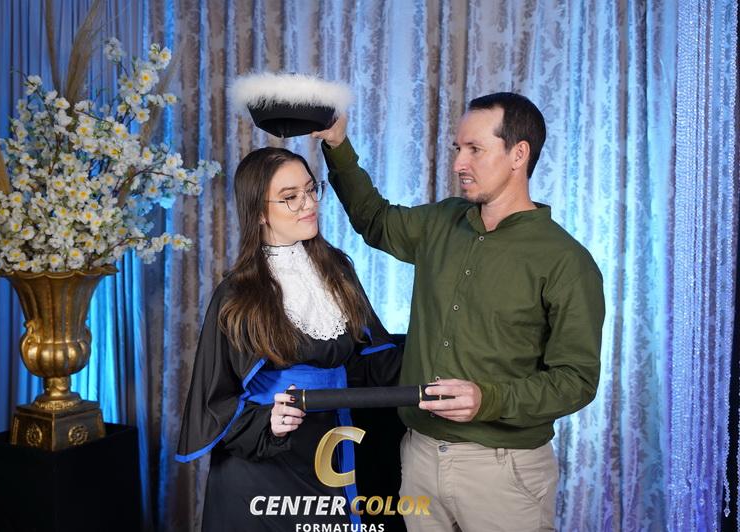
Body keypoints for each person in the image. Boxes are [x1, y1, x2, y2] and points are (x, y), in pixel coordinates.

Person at [312, 92, 605, 531]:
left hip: (504, 472)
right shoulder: (442, 222)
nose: (458, 164)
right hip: (419, 457)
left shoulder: (567, 262)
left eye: (474, 149)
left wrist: (489, 399)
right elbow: (375, 219)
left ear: (518, 154)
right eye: (457, 148)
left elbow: (576, 381)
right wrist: (337, 143)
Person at [176, 146, 402, 531]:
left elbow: (371, 360)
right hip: (262, 473)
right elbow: (214, 403)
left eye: (311, 190)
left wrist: (445, 349)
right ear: (259, 213)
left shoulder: (338, 271)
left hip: (331, 450)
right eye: (290, 197)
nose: (308, 204)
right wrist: (268, 421)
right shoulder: (237, 295)